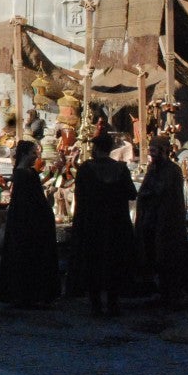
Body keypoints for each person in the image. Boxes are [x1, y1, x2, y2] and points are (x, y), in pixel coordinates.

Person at [66, 129, 137, 316]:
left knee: (93, 262)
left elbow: (79, 197)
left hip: (92, 223)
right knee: (114, 262)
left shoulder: (86, 169)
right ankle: (113, 303)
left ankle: (96, 305)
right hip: (116, 223)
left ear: (96, 149)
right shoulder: (121, 169)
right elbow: (132, 193)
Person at [0, 140, 61, 307]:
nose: (36, 156)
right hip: (28, 225)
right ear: (25, 154)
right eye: (33, 153)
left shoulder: (27, 172)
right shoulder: (23, 174)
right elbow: (30, 201)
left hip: (30, 223)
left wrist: (53, 173)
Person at [136, 136, 188, 307]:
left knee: (168, 258)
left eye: (154, 150)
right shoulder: (153, 168)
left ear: (164, 150)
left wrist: (150, 195)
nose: (152, 154)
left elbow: (164, 192)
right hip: (152, 219)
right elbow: (145, 190)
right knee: (153, 256)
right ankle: (158, 290)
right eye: (150, 150)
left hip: (167, 221)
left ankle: (171, 294)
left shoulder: (173, 170)